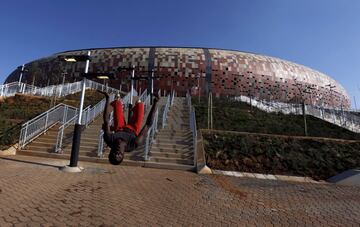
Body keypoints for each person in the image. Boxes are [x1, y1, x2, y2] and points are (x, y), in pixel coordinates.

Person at [97, 90, 159, 165]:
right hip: (133, 128)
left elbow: (106, 120)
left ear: (110, 152)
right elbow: (148, 124)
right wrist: (155, 103)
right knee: (140, 106)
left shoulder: (109, 139)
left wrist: (107, 99)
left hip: (119, 128)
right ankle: (137, 105)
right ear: (123, 155)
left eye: (114, 155)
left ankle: (117, 101)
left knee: (117, 104)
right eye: (119, 156)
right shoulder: (133, 144)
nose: (117, 153)